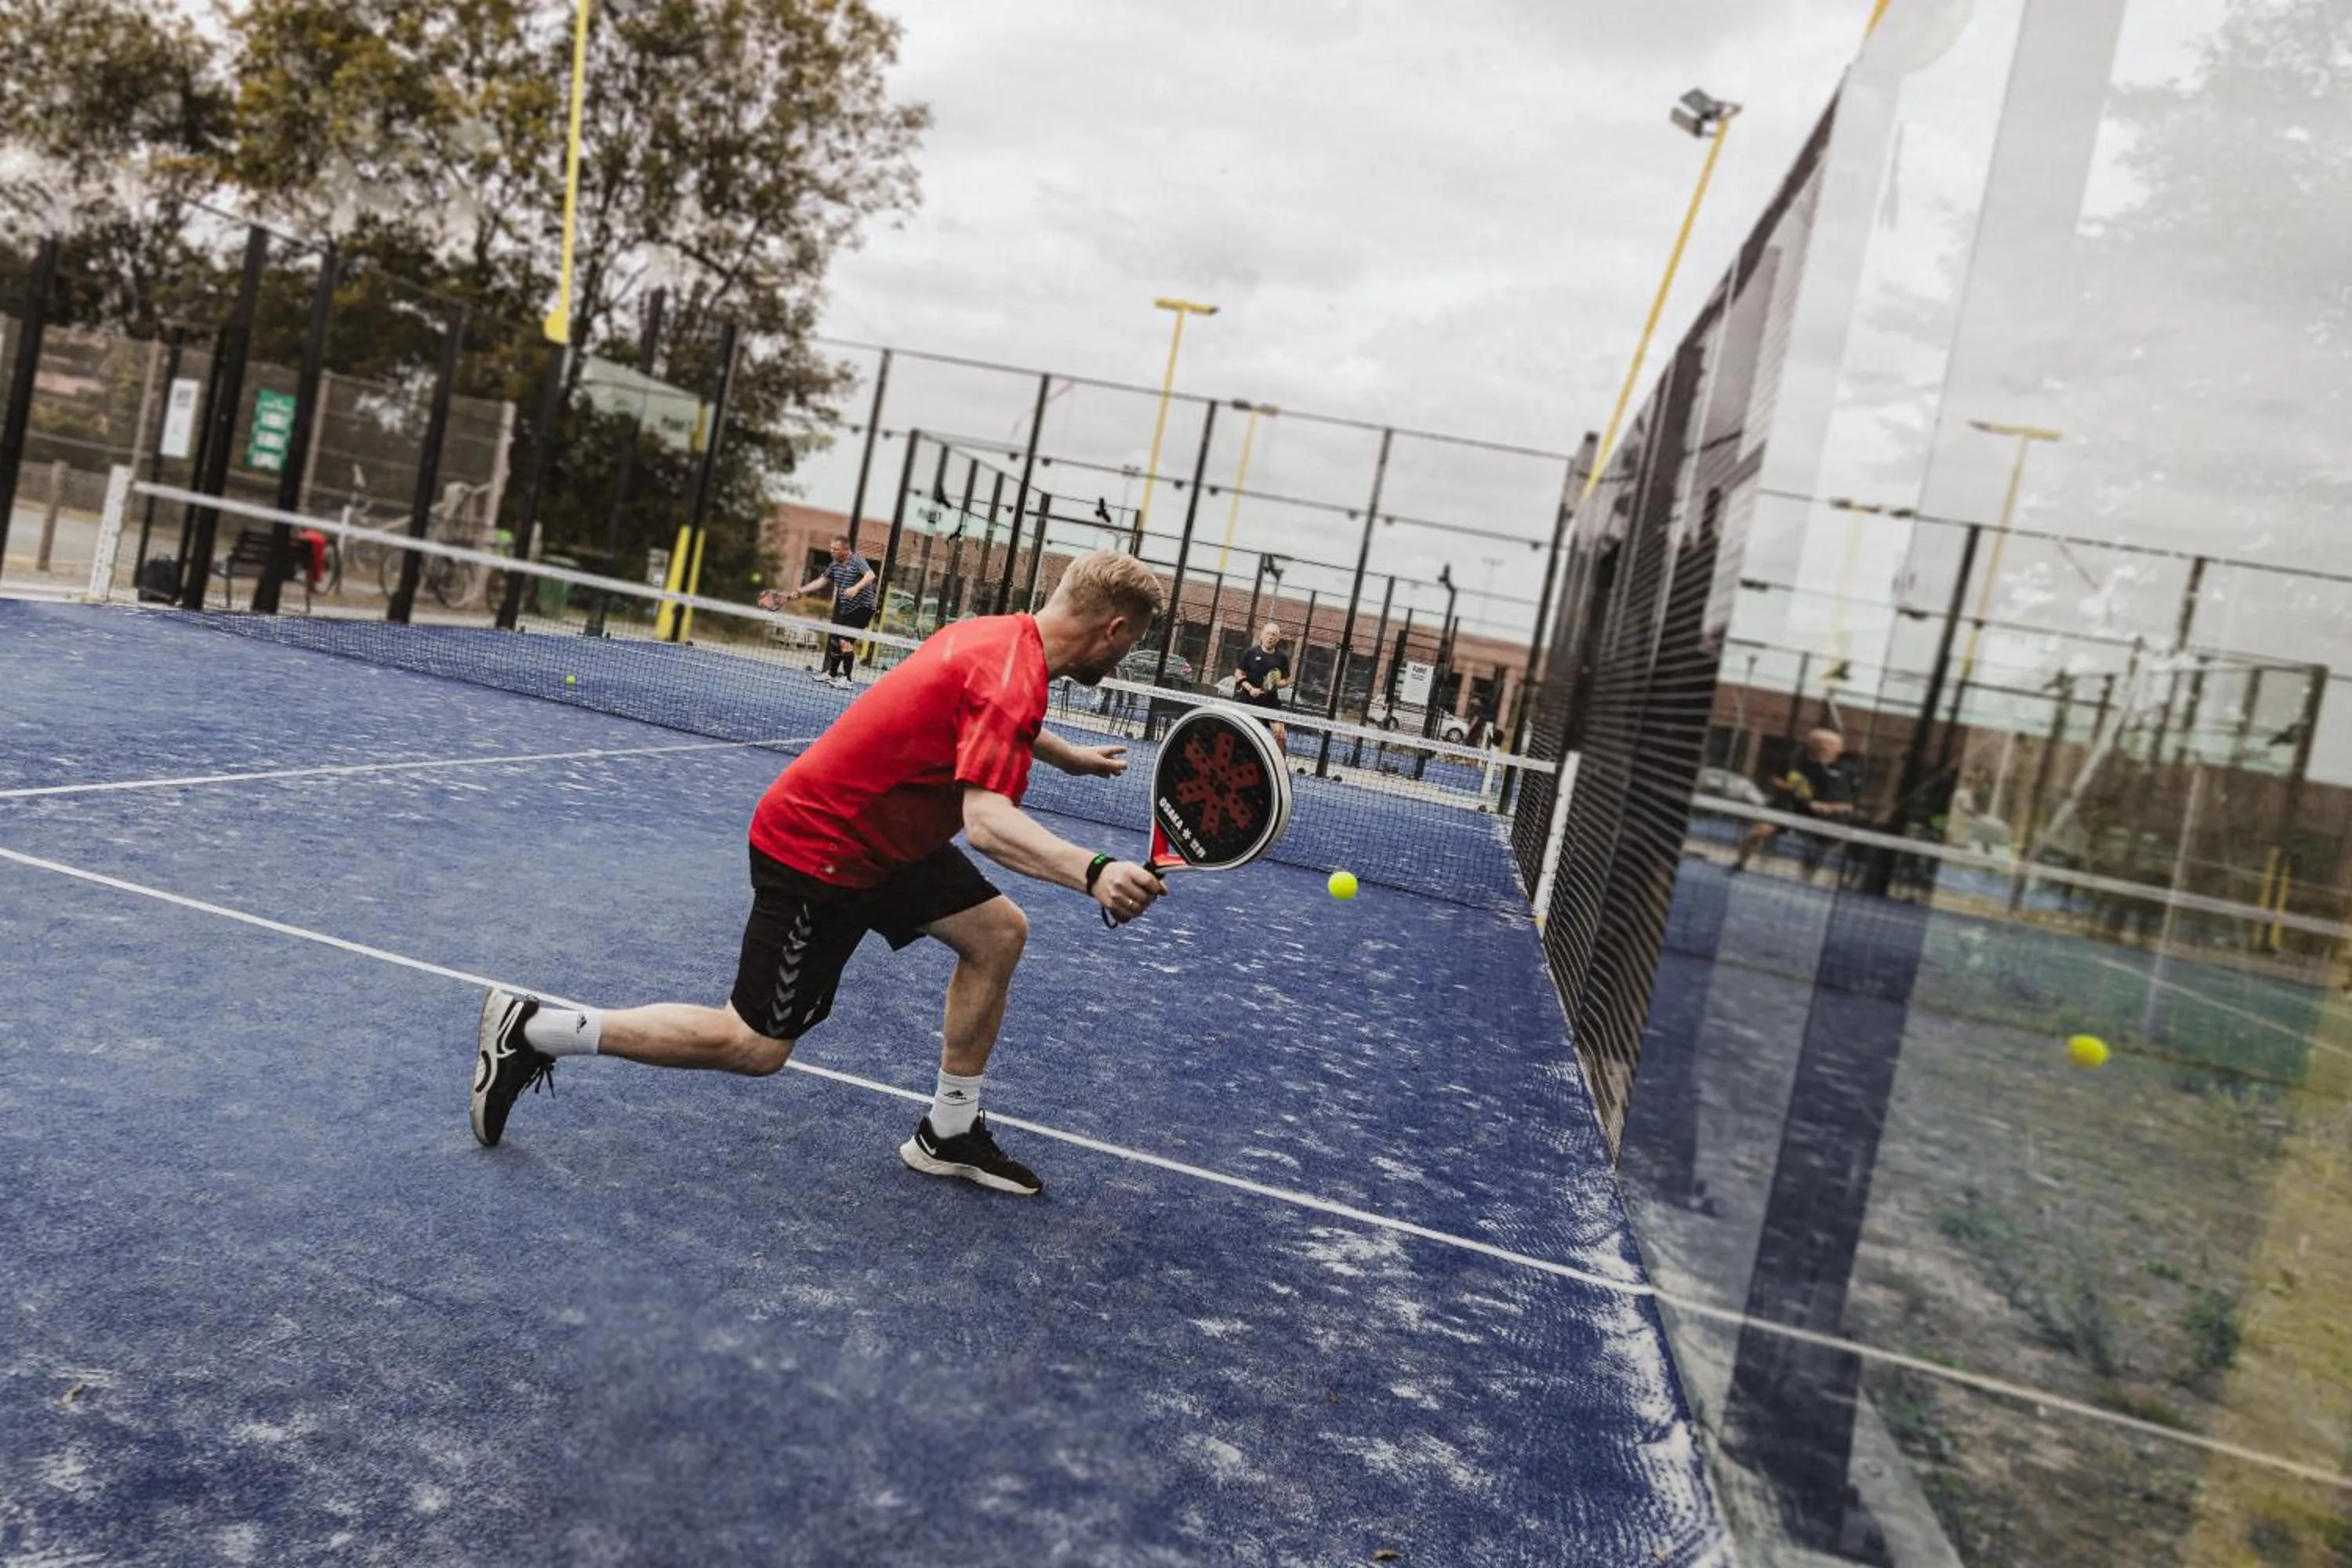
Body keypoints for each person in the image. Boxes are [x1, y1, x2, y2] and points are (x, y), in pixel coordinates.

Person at [472, 551, 1172, 1196]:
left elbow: (989, 713)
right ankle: (536, 1029)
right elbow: (988, 824)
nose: (1126, 656)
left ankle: (950, 1130)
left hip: (884, 841)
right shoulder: (1012, 674)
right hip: (820, 847)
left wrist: (1066, 756)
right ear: (1112, 629)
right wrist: (1095, 872)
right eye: (1133, 642)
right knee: (752, 1046)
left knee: (997, 934)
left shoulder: (999, 636)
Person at [1732, 728, 1863, 878]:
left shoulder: (1847, 770)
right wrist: (1792, 789)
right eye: (1818, 745)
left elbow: (1851, 804)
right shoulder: (1795, 760)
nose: (1823, 749)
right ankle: (1740, 863)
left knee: (1827, 843)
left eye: (1828, 746)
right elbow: (1776, 778)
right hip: (1791, 806)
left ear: (1838, 749)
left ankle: (1811, 869)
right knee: (1758, 832)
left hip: (1825, 817)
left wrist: (1829, 807)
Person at [767, 535, 877, 687]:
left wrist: (855, 588)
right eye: (831, 548)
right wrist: (799, 591)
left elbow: (870, 575)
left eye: (836, 549)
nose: (832, 551)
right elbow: (821, 582)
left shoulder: (856, 559)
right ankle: (832, 674)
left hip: (863, 608)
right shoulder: (835, 565)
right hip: (847, 608)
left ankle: (847, 680)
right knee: (836, 640)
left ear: (846, 550)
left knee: (845, 641)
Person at [1232, 621, 1291, 754]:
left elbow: (1287, 680)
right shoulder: (1251, 653)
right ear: (1262, 635)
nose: (1270, 637)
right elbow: (1238, 673)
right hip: (1248, 699)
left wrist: (1275, 684)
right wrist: (1250, 689)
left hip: (1270, 701)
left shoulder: (1282, 657)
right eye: (1268, 634)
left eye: (1274, 635)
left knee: (1281, 735)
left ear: (1278, 639)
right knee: (1239, 732)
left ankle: (1280, 763)